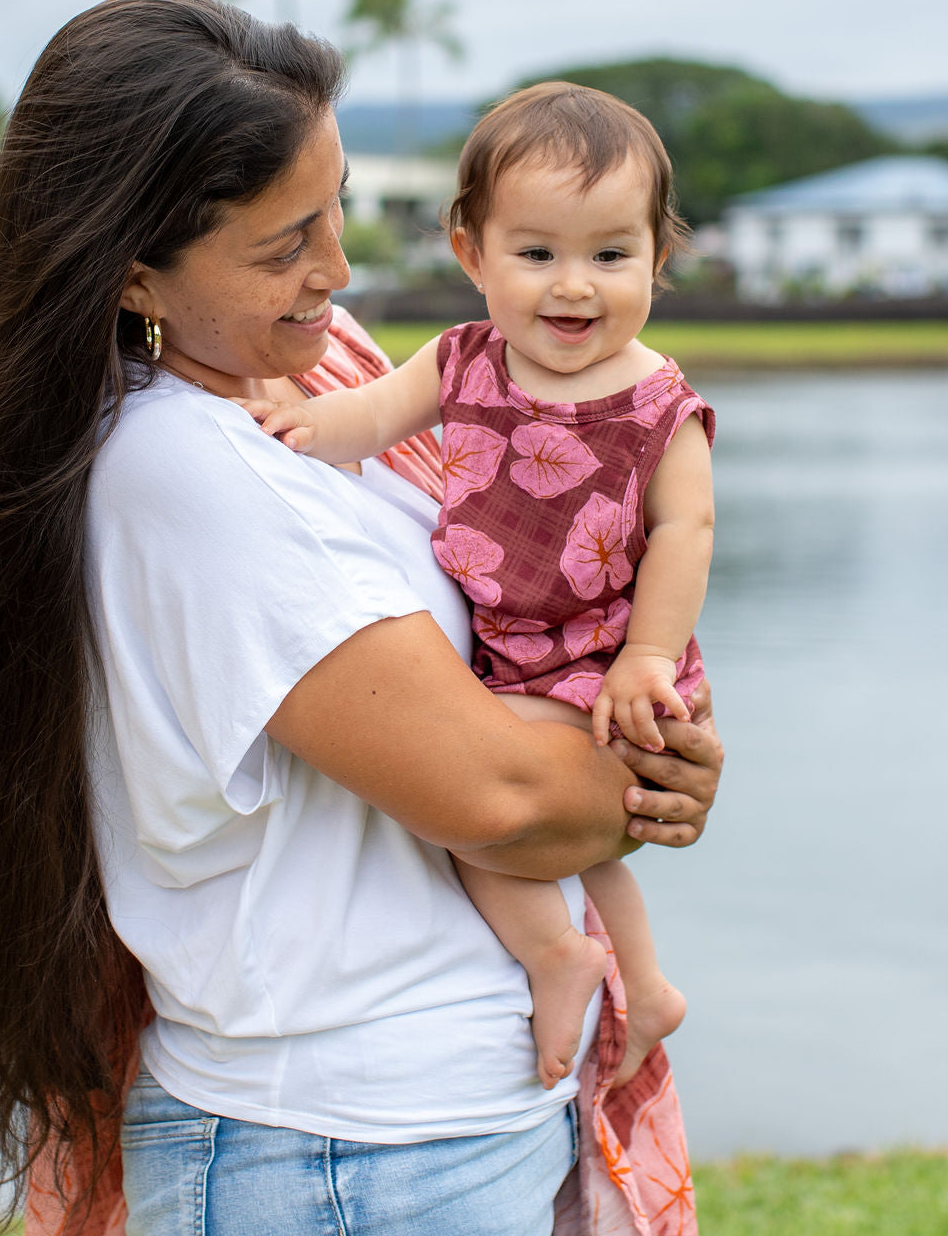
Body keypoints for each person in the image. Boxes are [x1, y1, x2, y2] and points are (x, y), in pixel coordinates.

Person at [0, 0, 723, 1236]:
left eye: (335, 205)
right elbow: (497, 798)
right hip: (348, 1145)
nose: (339, 271)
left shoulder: (310, 374)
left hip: (425, 1123)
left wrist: (645, 742)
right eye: (286, 242)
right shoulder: (190, 469)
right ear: (135, 269)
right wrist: (646, 781)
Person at [250, 82, 714, 1095]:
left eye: (610, 255)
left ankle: (561, 957)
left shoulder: (658, 405)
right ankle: (640, 977)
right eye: (536, 254)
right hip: (510, 641)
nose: (573, 287)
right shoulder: (462, 363)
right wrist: (285, 421)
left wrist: (644, 657)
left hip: (606, 650)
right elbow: (360, 421)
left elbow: (686, 530)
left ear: (657, 258)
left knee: (491, 817)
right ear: (472, 255)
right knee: (571, 832)